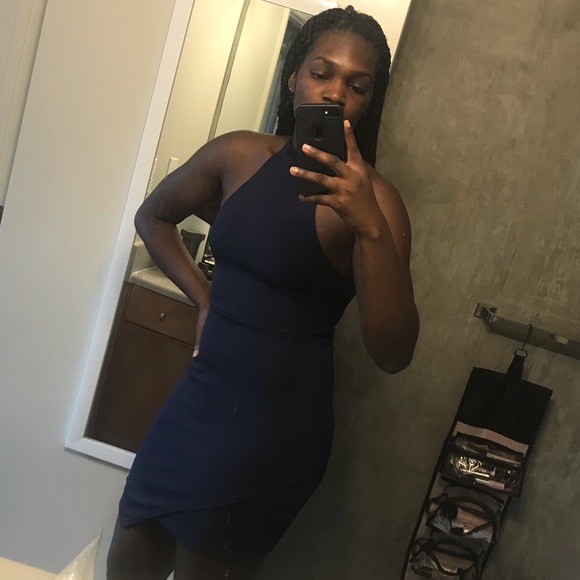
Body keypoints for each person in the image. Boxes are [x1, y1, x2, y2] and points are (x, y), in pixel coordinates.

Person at [106, 5, 419, 580]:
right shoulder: (240, 156)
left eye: (357, 86)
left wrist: (370, 227)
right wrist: (204, 297)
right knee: (128, 551)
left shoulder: (378, 202)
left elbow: (394, 352)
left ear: (370, 101)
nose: (335, 93)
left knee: (205, 567)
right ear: (294, 75)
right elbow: (154, 216)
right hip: (199, 398)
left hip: (275, 427)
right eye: (321, 73)